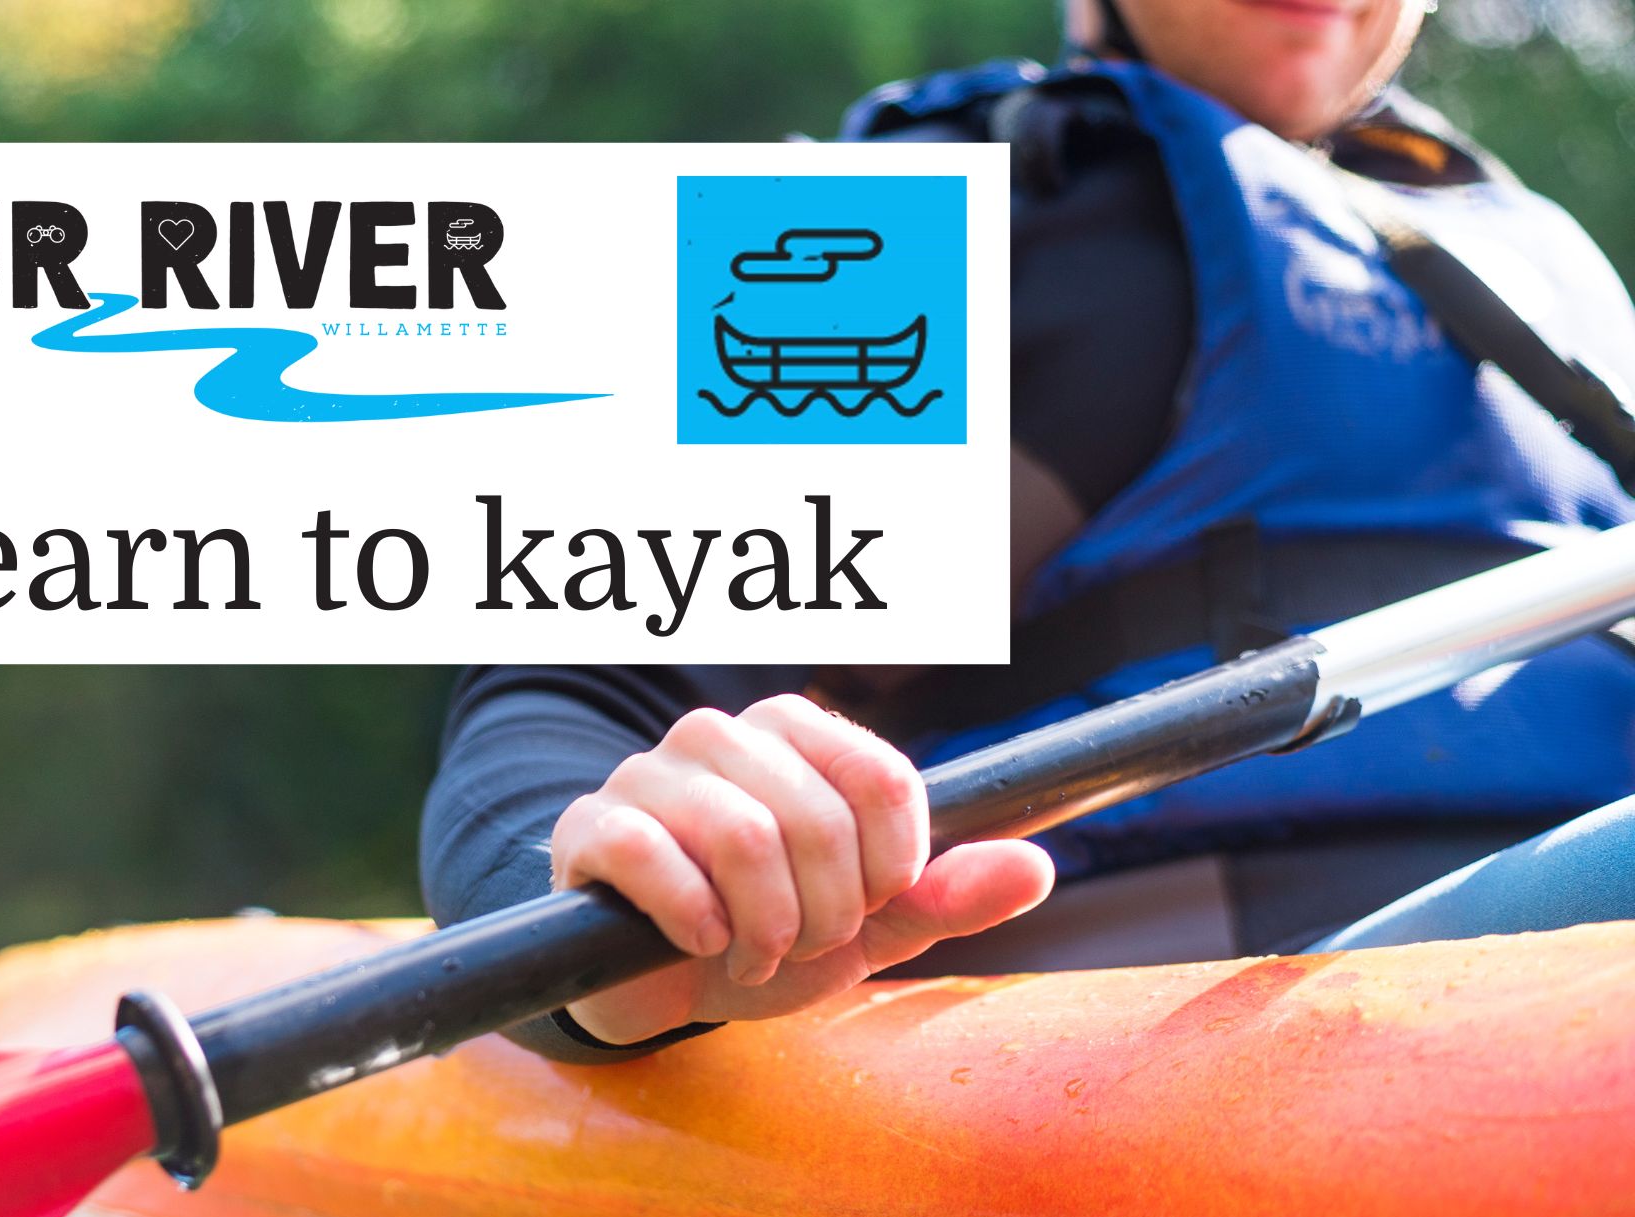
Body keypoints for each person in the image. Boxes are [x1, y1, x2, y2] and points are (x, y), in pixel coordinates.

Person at [421, 0, 1635, 1062]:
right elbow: (568, 698)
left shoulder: (1539, 261)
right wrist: (617, 925)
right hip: (1199, 1025)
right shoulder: (935, 227)